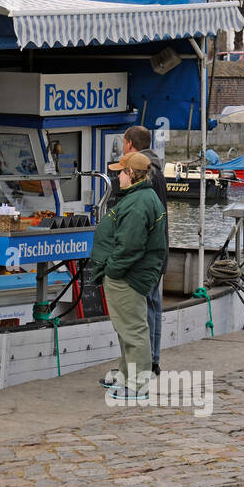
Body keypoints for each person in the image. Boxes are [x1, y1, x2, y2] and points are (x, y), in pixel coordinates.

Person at [90, 151, 167, 402]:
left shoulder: (137, 202)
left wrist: (112, 269)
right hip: (130, 274)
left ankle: (137, 386)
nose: (117, 176)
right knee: (127, 329)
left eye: (121, 172)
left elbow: (130, 246)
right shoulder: (142, 197)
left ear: (132, 174)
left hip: (127, 276)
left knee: (133, 330)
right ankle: (127, 377)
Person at [122, 125, 168, 375]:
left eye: (123, 142)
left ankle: (147, 361)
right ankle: (152, 359)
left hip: (148, 254)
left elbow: (144, 218)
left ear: (130, 144)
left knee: (144, 308)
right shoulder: (157, 170)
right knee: (153, 305)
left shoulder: (146, 173)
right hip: (158, 251)